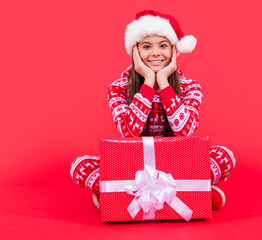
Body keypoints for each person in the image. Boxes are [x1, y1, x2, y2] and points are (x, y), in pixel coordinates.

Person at [70, 10, 236, 211]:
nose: (155, 53)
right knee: (80, 165)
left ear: (174, 50)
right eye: (147, 46)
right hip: (135, 168)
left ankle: (120, 196)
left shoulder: (191, 87)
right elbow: (129, 133)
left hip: (178, 164)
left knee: (224, 156)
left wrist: (165, 83)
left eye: (163, 46)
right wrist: (148, 83)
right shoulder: (118, 87)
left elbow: (185, 132)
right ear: (135, 51)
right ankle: (191, 194)